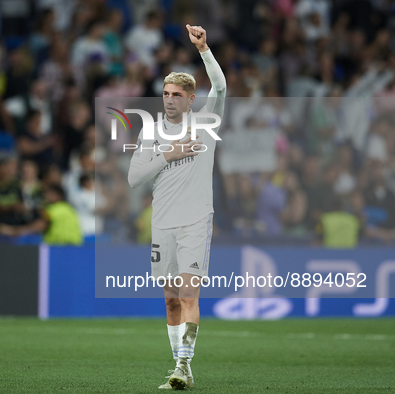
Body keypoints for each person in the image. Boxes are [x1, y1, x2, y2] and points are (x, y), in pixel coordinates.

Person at [127, 25, 226, 390]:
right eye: (166, 94)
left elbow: (221, 88)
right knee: (171, 303)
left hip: (196, 220)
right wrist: (169, 154)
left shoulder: (204, 123)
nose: (169, 100)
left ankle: (184, 366)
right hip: (162, 224)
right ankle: (179, 367)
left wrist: (203, 50)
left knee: (188, 294)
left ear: (190, 98)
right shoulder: (151, 132)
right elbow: (134, 178)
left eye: (176, 95)